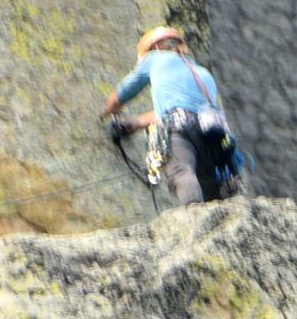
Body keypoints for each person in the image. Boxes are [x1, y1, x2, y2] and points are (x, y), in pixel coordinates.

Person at [100, 26, 242, 205]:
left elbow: (125, 91)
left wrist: (107, 110)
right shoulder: (202, 73)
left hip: (179, 127)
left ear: (155, 47)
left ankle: (196, 218)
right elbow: (185, 107)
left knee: (181, 171)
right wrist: (134, 123)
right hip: (215, 134)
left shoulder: (154, 59)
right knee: (210, 183)